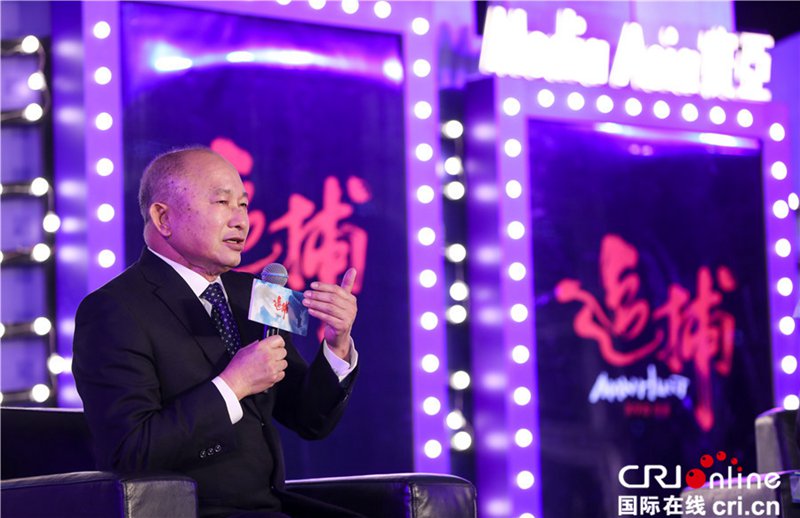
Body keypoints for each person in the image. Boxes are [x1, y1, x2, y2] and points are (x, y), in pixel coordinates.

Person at [73, 147, 361, 518]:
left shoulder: (257, 293)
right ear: (163, 218)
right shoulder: (113, 310)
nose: (241, 221)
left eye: (243, 205)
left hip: (271, 506)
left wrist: (337, 343)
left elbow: (309, 419)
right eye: (223, 203)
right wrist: (232, 385)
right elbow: (130, 452)